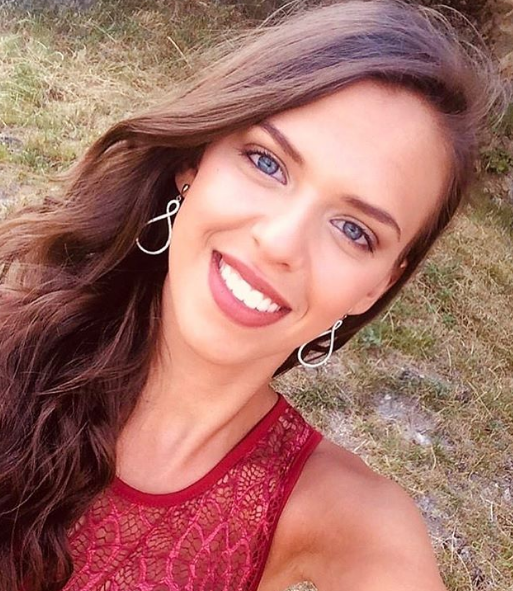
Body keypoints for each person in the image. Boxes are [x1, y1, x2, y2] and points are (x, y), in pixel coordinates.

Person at [0, 0, 505, 590]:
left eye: (353, 230)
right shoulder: (14, 343)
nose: (279, 242)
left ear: (377, 285)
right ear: (196, 162)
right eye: (266, 162)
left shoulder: (351, 520)